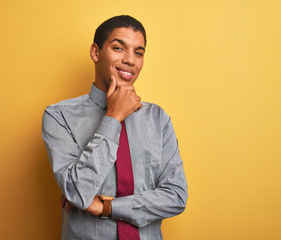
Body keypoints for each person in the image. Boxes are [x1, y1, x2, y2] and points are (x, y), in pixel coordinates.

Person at [42, 15, 188, 240]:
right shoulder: (59, 116)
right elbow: (79, 192)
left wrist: (106, 206)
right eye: (119, 48)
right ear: (95, 52)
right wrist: (113, 116)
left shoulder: (159, 119)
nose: (130, 60)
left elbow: (176, 196)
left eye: (138, 53)